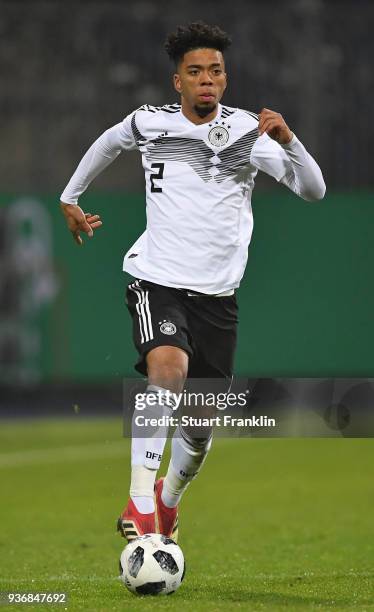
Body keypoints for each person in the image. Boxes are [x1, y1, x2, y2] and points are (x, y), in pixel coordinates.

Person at [60, 22, 326, 543]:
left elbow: (313, 190)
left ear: (225, 79)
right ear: (176, 80)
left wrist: (290, 141)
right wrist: (70, 196)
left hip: (217, 299)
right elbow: (108, 143)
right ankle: (139, 506)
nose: (207, 80)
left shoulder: (249, 133)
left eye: (216, 71)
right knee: (167, 369)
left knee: (200, 427)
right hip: (155, 277)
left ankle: (167, 502)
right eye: (195, 71)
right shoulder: (150, 123)